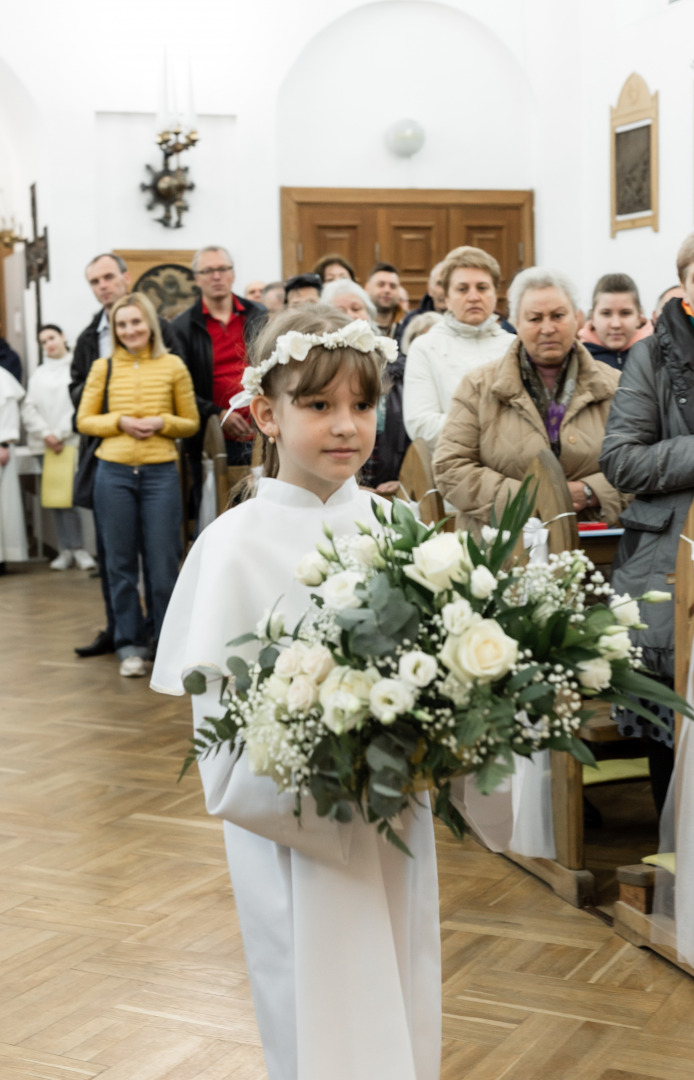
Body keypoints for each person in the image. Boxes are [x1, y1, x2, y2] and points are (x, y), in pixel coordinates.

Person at [150, 305, 440, 1080]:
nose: (346, 425)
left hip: (393, 813)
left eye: (362, 404)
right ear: (264, 415)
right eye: (318, 405)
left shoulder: (394, 525)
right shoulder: (232, 547)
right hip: (293, 826)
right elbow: (224, 730)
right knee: (308, 998)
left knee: (400, 973)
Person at [600, 224, 694, 813]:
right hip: (671, 555)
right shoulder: (652, 356)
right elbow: (620, 460)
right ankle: (679, 854)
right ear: (683, 289)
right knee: (678, 708)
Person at [433, 267, 625, 537]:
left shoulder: (615, 386)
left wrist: (591, 491)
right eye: (534, 318)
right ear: (515, 324)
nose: (548, 328)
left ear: (578, 319)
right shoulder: (478, 386)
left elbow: (641, 465)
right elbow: (450, 468)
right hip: (499, 553)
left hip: (594, 546)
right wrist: (534, 498)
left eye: (558, 316)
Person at [76, 293, 199, 677]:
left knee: (163, 566)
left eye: (136, 322)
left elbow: (190, 422)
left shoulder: (173, 365)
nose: (130, 330)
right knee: (120, 564)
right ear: (115, 330)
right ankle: (129, 644)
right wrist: (120, 422)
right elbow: (84, 420)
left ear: (150, 325)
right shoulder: (102, 367)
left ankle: (166, 645)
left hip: (161, 473)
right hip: (112, 473)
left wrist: (162, 422)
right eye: (122, 324)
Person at [173, 247, 266, 514]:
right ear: (196, 278)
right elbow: (182, 388)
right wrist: (220, 413)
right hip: (212, 434)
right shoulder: (183, 327)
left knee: (261, 508)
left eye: (222, 269)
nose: (216, 276)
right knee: (220, 511)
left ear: (232, 274)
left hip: (262, 427)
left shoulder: (257, 314)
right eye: (208, 271)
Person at [403, 245, 515, 452]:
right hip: (452, 467)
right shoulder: (426, 347)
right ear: (447, 298)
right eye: (462, 289)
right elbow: (421, 426)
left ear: (494, 293)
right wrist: (496, 426)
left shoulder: (514, 346)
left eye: (482, 288)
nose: (473, 297)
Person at [322, 281, 410, 492]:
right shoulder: (313, 371)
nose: (350, 315)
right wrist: (348, 486)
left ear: (369, 317)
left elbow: (412, 430)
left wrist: (405, 480)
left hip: (390, 489)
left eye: (356, 308)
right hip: (332, 488)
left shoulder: (397, 366)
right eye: (340, 310)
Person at [22, 324, 95, 571]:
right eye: (43, 341)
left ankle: (80, 549)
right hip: (46, 444)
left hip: (69, 441)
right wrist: (46, 434)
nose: (49, 344)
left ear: (63, 337)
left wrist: (61, 433)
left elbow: (78, 403)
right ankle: (64, 549)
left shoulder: (74, 368)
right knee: (54, 498)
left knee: (71, 498)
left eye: (52, 337)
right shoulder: (39, 374)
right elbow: (29, 408)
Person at [578, 272, 653, 370]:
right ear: (592, 318)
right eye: (606, 313)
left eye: (625, 313)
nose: (616, 324)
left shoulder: (660, 358)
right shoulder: (576, 360)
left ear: (639, 317)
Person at [0, 365, 27, 572]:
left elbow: (9, 411)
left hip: (1, 447)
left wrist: (4, 443)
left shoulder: (2, 377)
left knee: (3, 506)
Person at [395, 262, 446, 347]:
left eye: (448, 284)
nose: (444, 291)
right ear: (429, 288)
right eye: (439, 284)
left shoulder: (467, 321)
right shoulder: (412, 319)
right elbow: (399, 352)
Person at [365, 262, 403, 338]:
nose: (387, 290)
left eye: (392, 286)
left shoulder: (408, 323)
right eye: (381, 285)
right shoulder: (355, 323)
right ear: (367, 288)